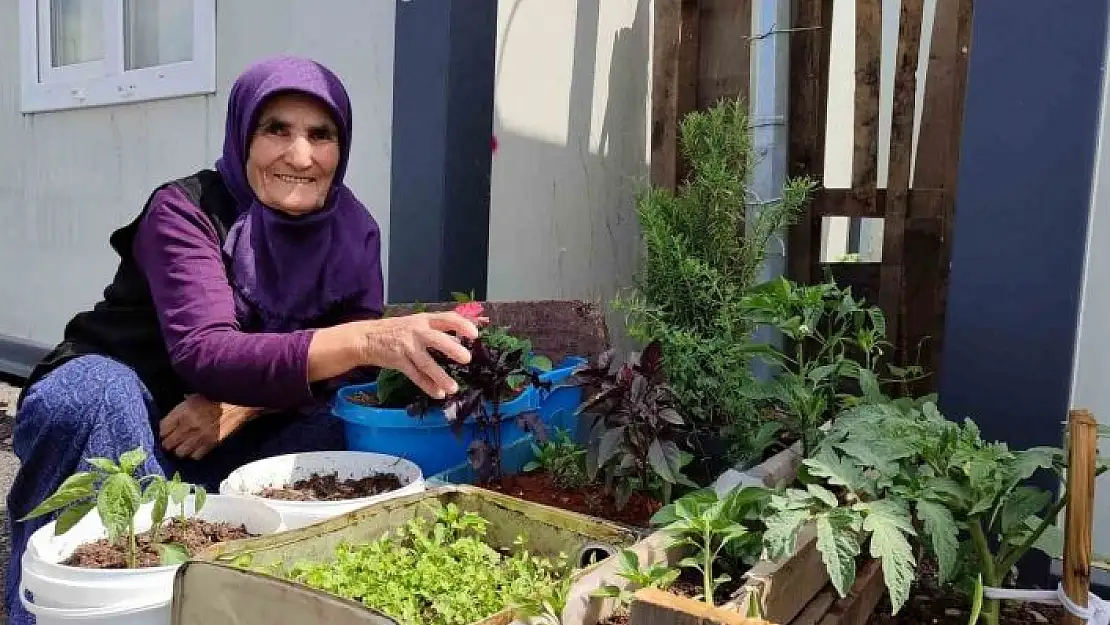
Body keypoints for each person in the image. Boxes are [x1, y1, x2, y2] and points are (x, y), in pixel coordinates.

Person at [3, 55, 478, 624]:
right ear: (241, 133)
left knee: (343, 438)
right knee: (93, 396)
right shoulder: (184, 211)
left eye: (320, 135)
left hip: (232, 426)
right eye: (276, 129)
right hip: (129, 405)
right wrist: (363, 338)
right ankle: (69, 607)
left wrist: (244, 405)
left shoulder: (353, 231)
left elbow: (346, 375)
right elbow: (205, 352)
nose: (300, 156)